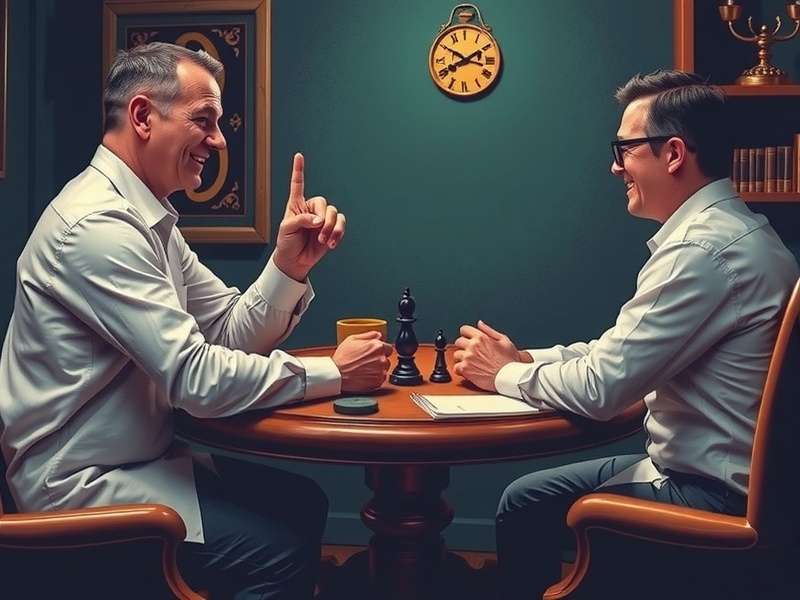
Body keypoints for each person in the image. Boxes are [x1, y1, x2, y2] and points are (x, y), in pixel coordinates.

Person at [0, 42, 392, 599]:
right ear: (142, 116)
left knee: (305, 502)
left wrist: (287, 265)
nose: (219, 139)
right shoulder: (98, 227)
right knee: (276, 551)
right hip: (79, 492)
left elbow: (228, 330)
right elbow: (196, 380)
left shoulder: (146, 218)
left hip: (137, 464)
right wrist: (335, 373)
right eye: (203, 120)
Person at [453, 70, 800, 598]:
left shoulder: (701, 253)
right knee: (526, 497)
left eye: (625, 148)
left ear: (674, 153)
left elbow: (602, 388)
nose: (615, 166)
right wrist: (524, 358)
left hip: (711, 494)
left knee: (523, 504)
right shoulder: (741, 234)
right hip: (726, 477)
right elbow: (618, 353)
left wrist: (503, 373)